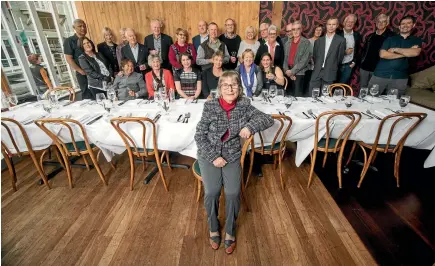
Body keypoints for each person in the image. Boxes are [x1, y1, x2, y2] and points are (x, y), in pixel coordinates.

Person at [194, 70, 274, 254]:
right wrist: (214, 157)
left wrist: (249, 126)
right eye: (225, 85)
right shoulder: (210, 106)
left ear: (239, 87)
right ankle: (213, 226)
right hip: (209, 154)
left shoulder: (245, 104)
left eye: (234, 84)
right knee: (212, 192)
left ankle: (230, 230)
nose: (230, 88)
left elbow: (267, 119)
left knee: (232, 192)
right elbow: (199, 136)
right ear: (220, 89)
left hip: (231, 155)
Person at [369, 15, 422, 96]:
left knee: (393, 104)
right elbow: (383, 54)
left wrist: (395, 49)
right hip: (380, 75)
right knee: (370, 99)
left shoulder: (416, 40)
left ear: (413, 25)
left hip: (400, 78)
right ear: (399, 26)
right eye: (403, 23)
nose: (405, 25)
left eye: (408, 23)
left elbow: (415, 53)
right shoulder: (390, 39)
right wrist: (406, 53)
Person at [309, 17, 346, 94]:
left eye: (333, 24)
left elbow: (339, 58)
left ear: (337, 26)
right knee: (312, 94)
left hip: (330, 71)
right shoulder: (318, 41)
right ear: (326, 25)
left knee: (325, 96)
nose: (331, 26)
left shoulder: (341, 40)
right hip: (317, 71)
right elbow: (315, 57)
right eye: (329, 24)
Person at [359, 14, 395, 88]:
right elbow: (363, 51)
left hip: (379, 69)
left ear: (387, 23)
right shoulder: (370, 36)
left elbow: (393, 54)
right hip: (364, 68)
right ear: (375, 22)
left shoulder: (392, 37)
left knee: (374, 91)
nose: (380, 23)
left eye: (383, 21)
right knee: (362, 89)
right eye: (378, 21)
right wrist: (361, 63)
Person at [63, 19, 93, 99]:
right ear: (74, 27)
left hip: (93, 72)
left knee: (96, 93)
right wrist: (80, 71)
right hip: (82, 73)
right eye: (80, 26)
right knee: (87, 95)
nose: (83, 28)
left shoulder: (88, 40)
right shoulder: (69, 41)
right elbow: (68, 58)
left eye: (84, 26)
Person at [283, 21, 311, 97]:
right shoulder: (287, 43)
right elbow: (285, 58)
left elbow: (304, 61)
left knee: (297, 97)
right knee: (288, 96)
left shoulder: (306, 43)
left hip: (299, 74)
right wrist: (287, 71)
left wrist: (292, 71)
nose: (295, 31)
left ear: (301, 29)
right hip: (288, 73)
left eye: (298, 29)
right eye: (293, 29)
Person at [337, 14, 362, 84]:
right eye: (348, 21)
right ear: (344, 22)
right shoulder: (337, 34)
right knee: (332, 86)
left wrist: (354, 62)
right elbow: (331, 50)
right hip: (336, 66)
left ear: (354, 24)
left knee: (343, 88)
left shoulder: (357, 35)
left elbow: (359, 50)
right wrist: (344, 52)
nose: (349, 24)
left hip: (349, 66)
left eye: (352, 22)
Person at [306, 24, 324, 90]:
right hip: (309, 66)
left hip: (319, 66)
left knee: (316, 85)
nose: (318, 32)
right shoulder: (308, 41)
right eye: (317, 30)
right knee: (308, 83)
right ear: (314, 31)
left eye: (320, 30)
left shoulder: (323, 41)